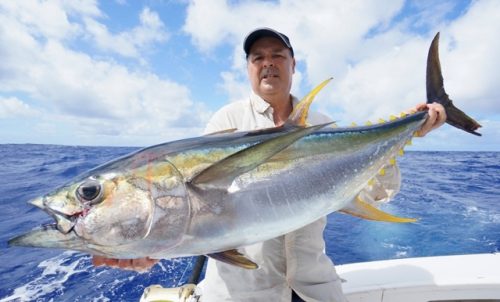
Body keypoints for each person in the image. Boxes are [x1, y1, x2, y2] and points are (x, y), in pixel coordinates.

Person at [93, 28, 447, 302]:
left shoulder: (323, 126)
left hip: (314, 290)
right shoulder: (226, 121)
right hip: (242, 295)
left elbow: (380, 192)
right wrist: (150, 244)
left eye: (278, 54)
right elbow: (195, 208)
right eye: (258, 57)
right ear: (249, 68)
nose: (268, 62)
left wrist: (409, 134)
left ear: (293, 64)